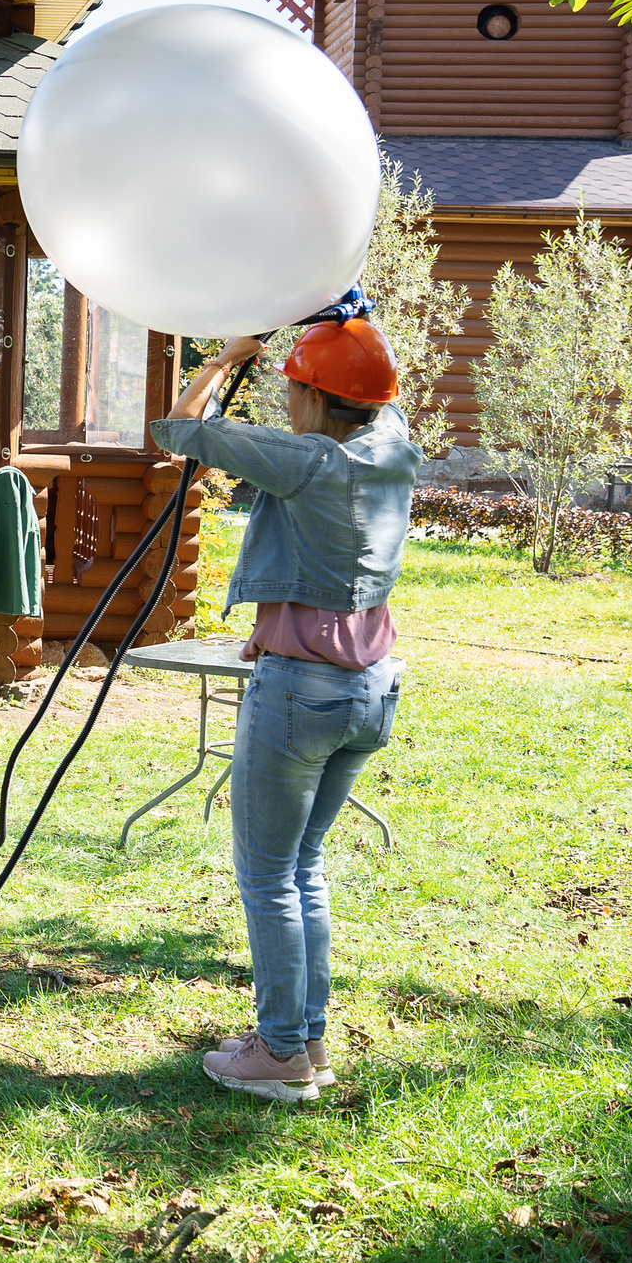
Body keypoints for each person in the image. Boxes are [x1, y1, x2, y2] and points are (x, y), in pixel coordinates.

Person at [153, 320, 419, 1104]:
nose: (285, 400)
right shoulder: (394, 445)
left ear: (312, 395)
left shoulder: (309, 460)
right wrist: (343, 312)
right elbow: (381, 384)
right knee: (303, 866)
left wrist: (227, 356)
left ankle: (278, 1053)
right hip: (370, 688)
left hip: (300, 691)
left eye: (291, 388)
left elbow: (178, 430)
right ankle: (304, 1038)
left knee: (268, 873)